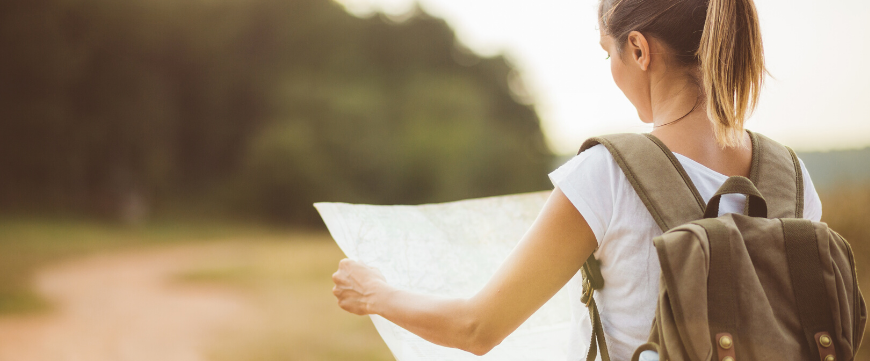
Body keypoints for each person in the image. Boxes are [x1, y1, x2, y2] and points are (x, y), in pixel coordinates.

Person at [330, 0, 823, 359]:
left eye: (606, 53)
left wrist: (376, 293)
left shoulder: (608, 174)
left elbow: (477, 328)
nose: (611, 68)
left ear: (638, 49)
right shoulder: (791, 178)